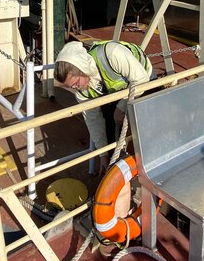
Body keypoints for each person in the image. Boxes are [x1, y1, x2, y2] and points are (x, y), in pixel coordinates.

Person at [54, 40, 154, 174]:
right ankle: (116, 173)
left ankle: (146, 168)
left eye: (76, 83)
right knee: (109, 127)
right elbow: (93, 120)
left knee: (146, 132)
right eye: (70, 87)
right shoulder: (82, 91)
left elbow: (141, 79)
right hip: (114, 92)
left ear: (84, 69)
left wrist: (121, 107)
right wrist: (103, 154)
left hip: (145, 82)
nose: (75, 88)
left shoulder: (112, 54)